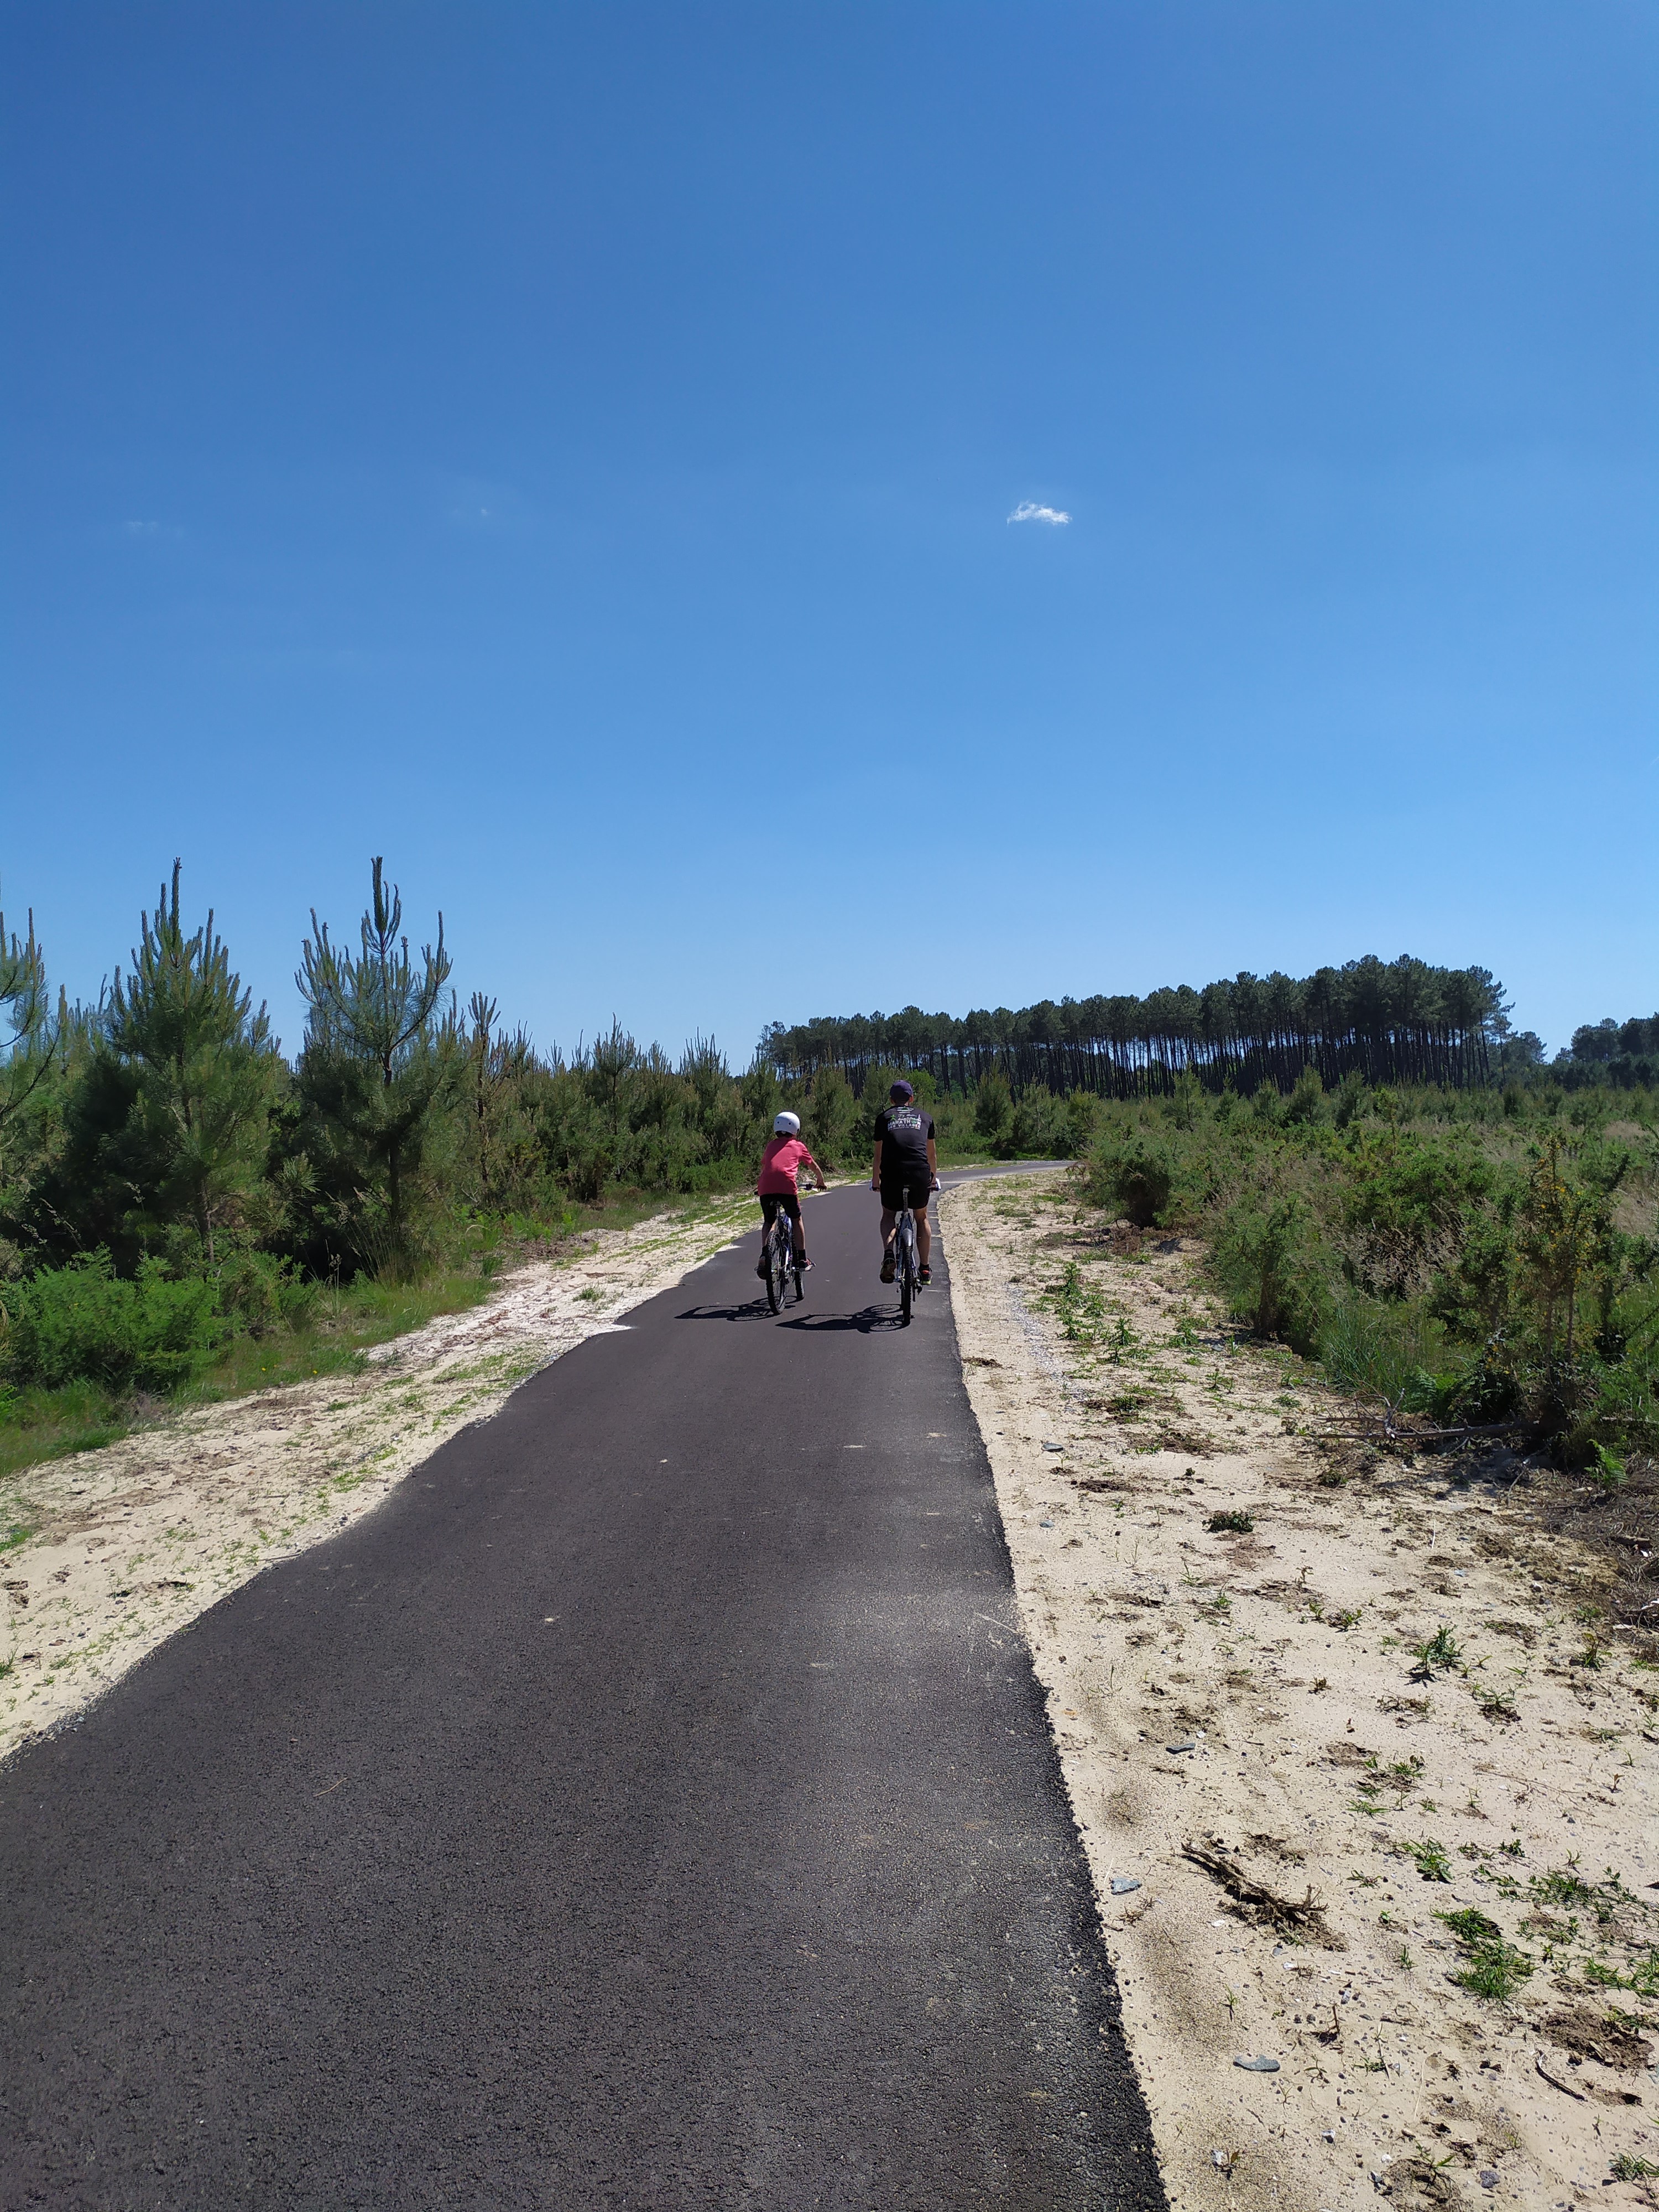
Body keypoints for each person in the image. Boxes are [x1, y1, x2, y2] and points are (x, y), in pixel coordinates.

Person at [871, 1079, 937, 1285]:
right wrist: (932, 1178)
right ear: (912, 1099)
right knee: (921, 1217)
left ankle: (889, 1254)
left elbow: (878, 1155)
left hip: (892, 1174)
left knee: (889, 1214)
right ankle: (925, 1269)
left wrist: (876, 1181)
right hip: (919, 1174)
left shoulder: (884, 1118)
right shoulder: (925, 1117)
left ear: (891, 1100)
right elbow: (931, 1154)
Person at [755, 1111, 827, 1277]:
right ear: (796, 1129)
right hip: (787, 1187)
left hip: (765, 1188)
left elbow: (766, 1168)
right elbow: (812, 1165)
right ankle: (802, 1259)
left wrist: (759, 1187)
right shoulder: (798, 1146)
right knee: (796, 1219)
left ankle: (765, 1254)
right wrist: (820, 1181)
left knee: (769, 1221)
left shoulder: (770, 1146)